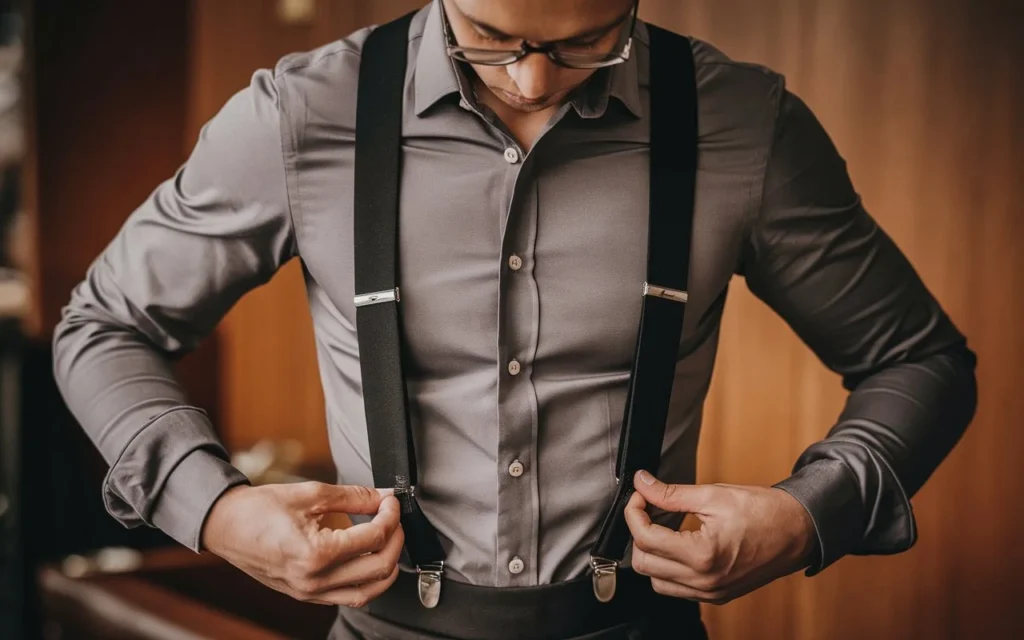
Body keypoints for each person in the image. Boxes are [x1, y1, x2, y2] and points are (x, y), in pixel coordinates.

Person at [52, 0, 977, 638]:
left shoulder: (747, 126)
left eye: (587, 42)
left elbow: (922, 360)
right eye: (491, 37)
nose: (534, 79)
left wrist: (806, 517)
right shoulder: (302, 114)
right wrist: (214, 511)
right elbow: (103, 324)